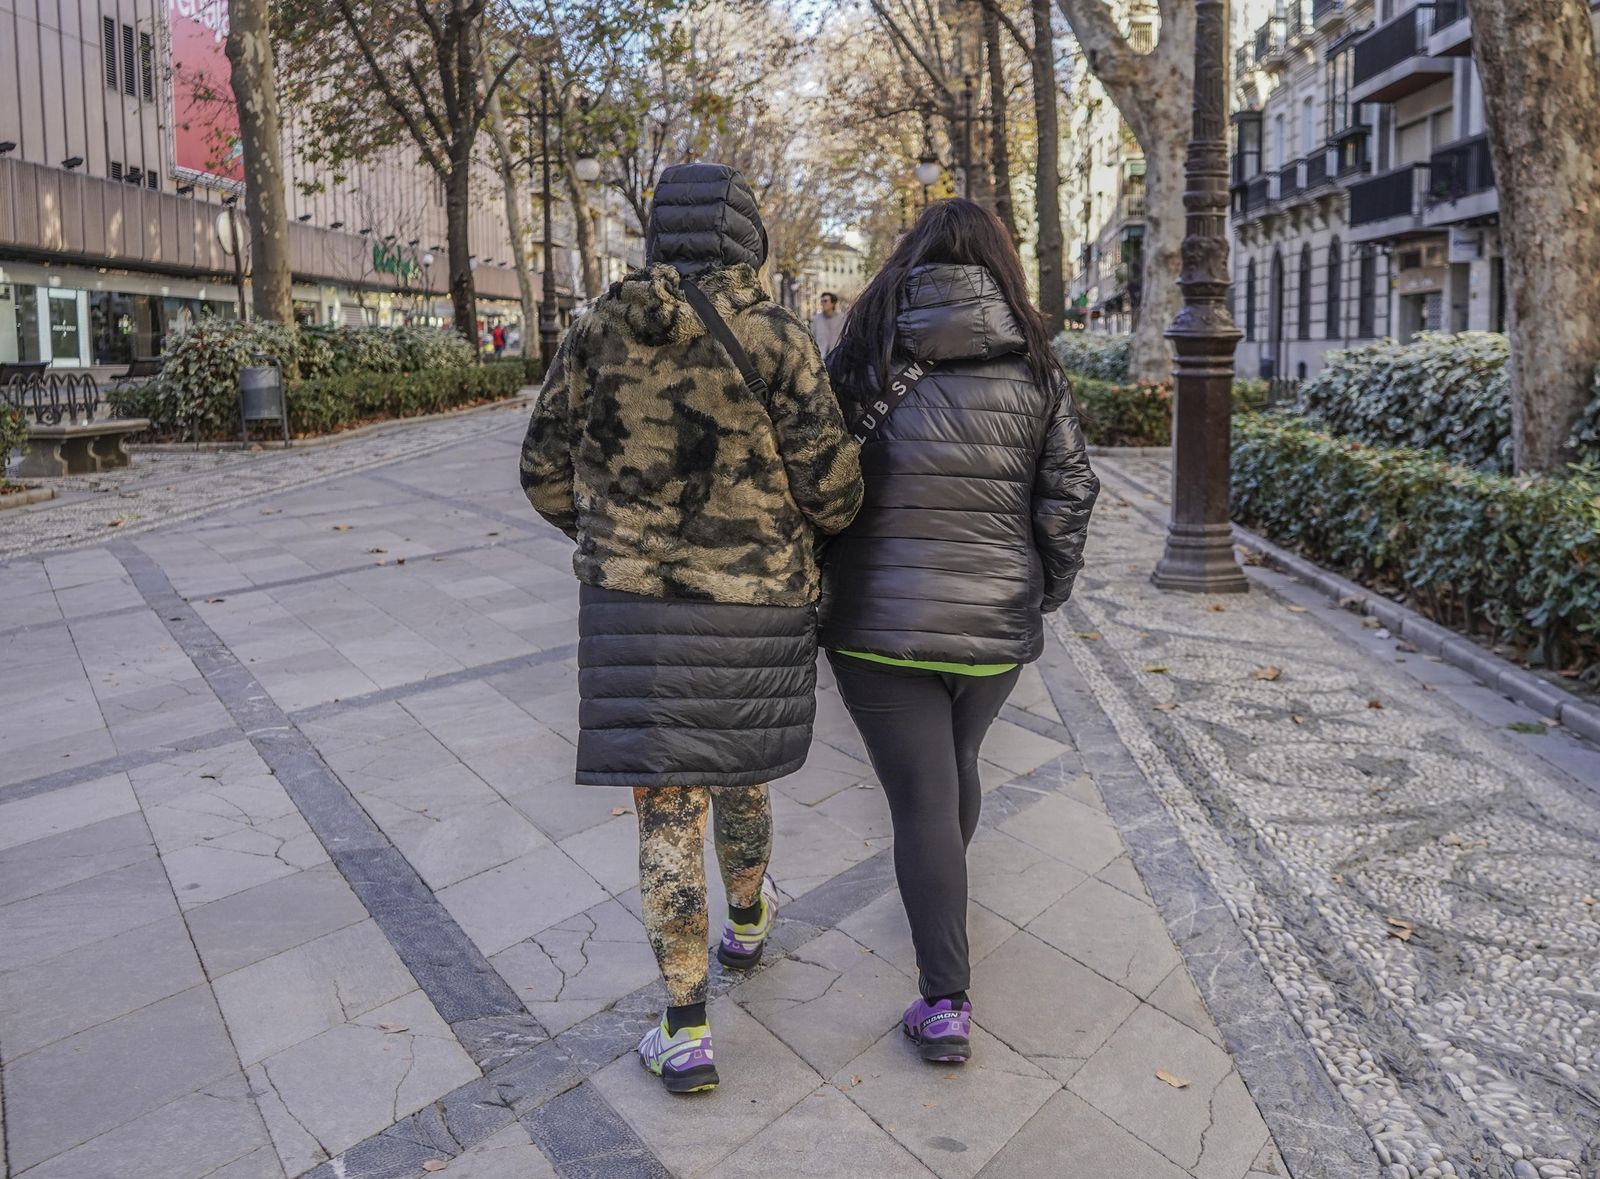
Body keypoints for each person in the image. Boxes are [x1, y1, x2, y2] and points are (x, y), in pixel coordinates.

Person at [519, 162, 862, 1094]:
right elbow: (834, 489)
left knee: (667, 805)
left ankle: (685, 1027)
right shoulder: (780, 334)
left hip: (637, 612)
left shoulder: (596, 327)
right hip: (755, 607)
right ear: (748, 234)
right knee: (740, 772)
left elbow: (544, 471)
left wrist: (618, 543)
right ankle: (747, 921)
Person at [819, 198, 1098, 1065]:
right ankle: (938, 890)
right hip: (995, 619)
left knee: (923, 798)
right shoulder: (1036, 365)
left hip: (875, 622)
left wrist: (833, 565)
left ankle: (946, 1001)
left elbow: (817, 481)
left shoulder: (865, 357)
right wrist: (1040, 590)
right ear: (1001, 266)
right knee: (952, 774)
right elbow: (1071, 492)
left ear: (908, 262)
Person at [810, 291, 845, 358]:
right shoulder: (816, 319)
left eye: (825, 301)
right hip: (820, 358)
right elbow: (812, 338)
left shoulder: (842, 318)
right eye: (822, 301)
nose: (822, 303)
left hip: (838, 357)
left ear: (833, 303)